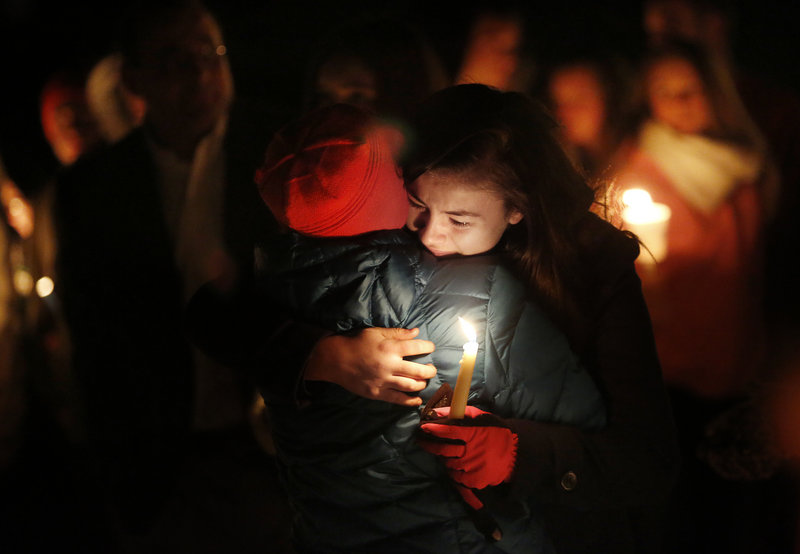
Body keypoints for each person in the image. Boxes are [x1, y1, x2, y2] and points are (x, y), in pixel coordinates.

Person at [188, 84, 679, 553]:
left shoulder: (592, 266)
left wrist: (517, 454)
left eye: (459, 220)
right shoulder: (383, 230)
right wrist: (323, 355)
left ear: (517, 208)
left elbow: (644, 461)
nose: (429, 236)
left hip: (562, 532)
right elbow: (215, 313)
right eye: (417, 206)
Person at [52, 0, 289, 544]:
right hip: (160, 466)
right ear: (133, 79)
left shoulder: (277, 153)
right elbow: (93, 341)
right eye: (173, 59)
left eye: (210, 52)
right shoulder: (93, 190)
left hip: (272, 449)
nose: (200, 71)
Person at [613, 40, 786, 553]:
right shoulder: (643, 171)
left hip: (741, 367)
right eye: (665, 92)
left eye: (691, 89)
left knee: (741, 516)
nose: (680, 102)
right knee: (688, 517)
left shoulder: (743, 164)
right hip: (674, 376)